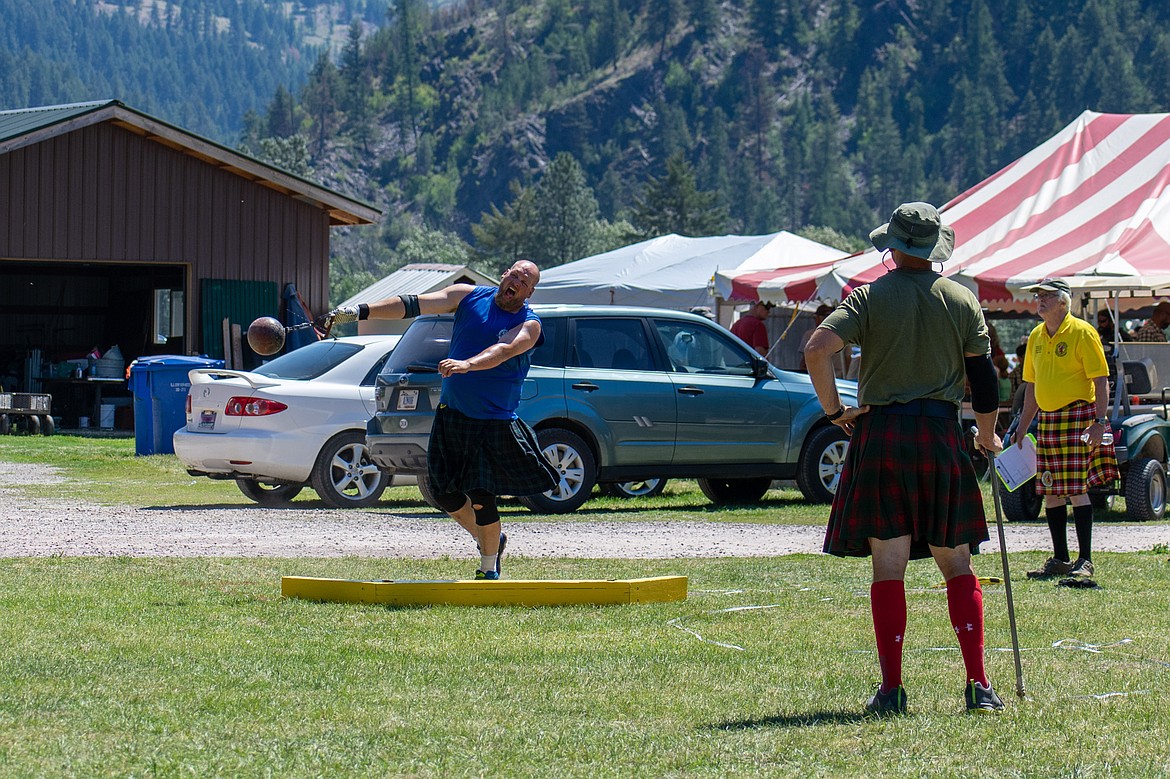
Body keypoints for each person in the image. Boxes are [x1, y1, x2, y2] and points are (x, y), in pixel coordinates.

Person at [804, 201, 1006, 715]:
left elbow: (815, 348)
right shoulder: (962, 300)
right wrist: (987, 434)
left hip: (882, 437)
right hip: (940, 436)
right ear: (935, 249)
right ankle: (978, 686)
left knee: (887, 566)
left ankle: (891, 691)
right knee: (956, 564)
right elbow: (982, 379)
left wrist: (834, 411)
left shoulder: (867, 297)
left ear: (892, 247)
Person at [321, 260, 558, 581]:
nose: (516, 280)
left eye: (524, 280)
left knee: (480, 493)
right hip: (453, 414)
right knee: (441, 491)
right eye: (513, 274)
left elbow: (504, 350)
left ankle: (488, 568)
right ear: (504, 276)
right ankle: (491, 540)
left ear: (530, 292)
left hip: (492, 421)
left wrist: (468, 364)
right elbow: (412, 305)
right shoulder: (468, 296)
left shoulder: (530, 324)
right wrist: (355, 312)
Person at [1016, 278, 1118, 584]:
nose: (1040, 301)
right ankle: (1060, 559)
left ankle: (1084, 560)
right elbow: (1032, 387)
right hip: (1047, 419)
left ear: (1063, 301)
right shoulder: (1035, 336)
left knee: (1076, 489)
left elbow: (1101, 380)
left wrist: (1099, 422)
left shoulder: (1082, 332)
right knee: (1050, 490)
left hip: (1078, 416)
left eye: (1046, 296)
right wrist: (1021, 427)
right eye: (1038, 296)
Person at [799, 304, 845, 376]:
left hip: (818, 378)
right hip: (839, 378)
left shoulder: (811, 335)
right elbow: (848, 359)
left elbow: (805, 361)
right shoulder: (843, 334)